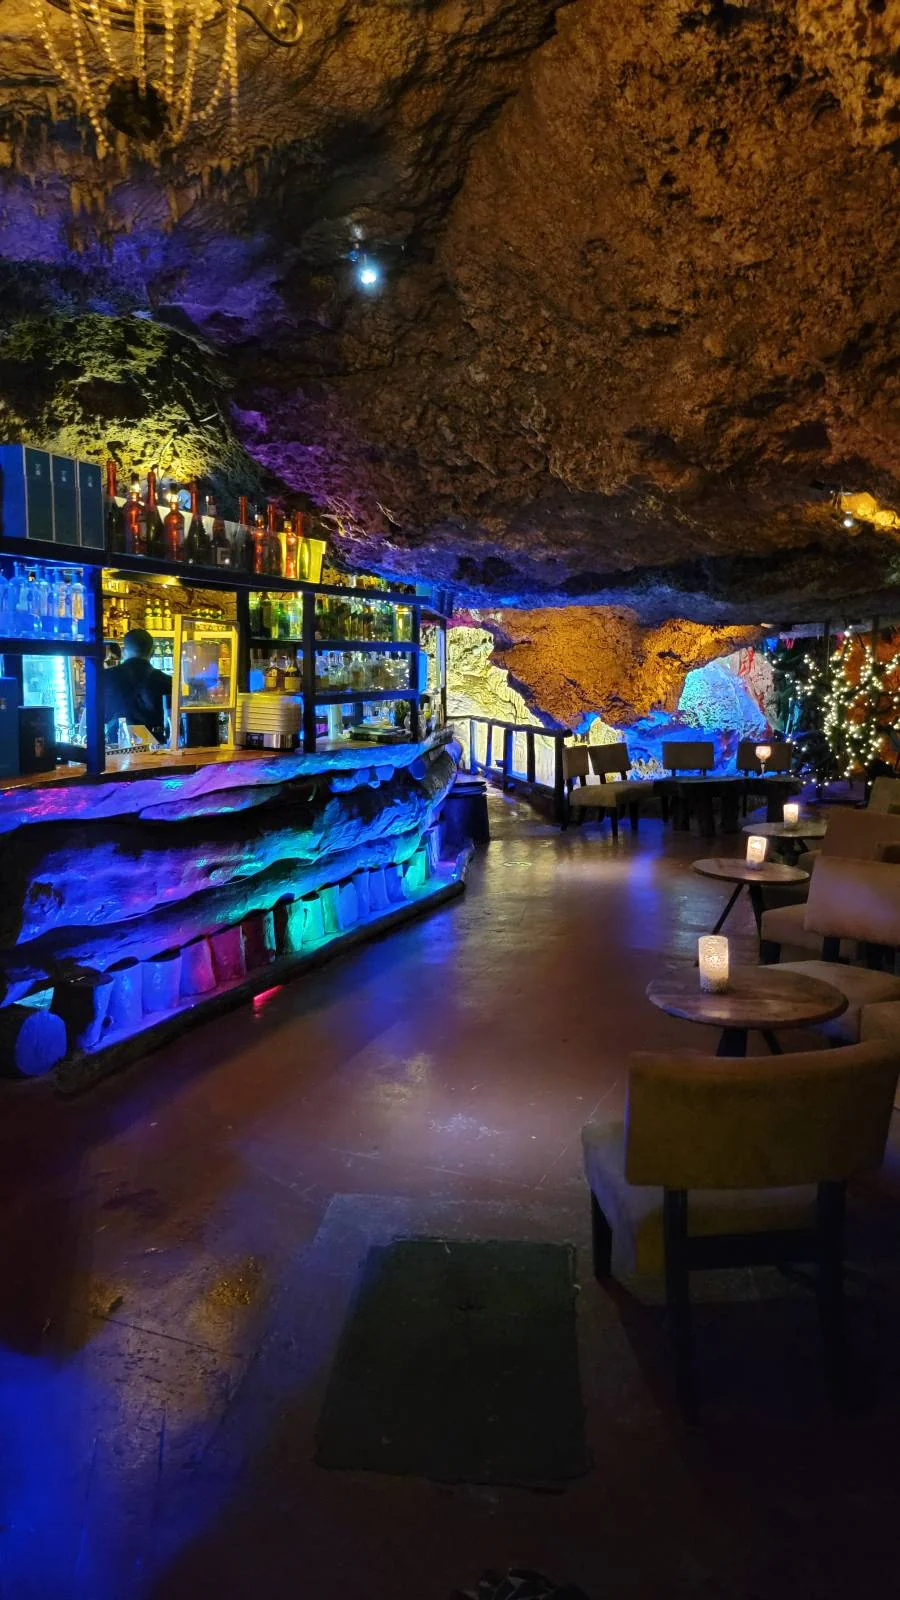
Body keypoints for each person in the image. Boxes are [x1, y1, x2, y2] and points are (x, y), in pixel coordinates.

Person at [104, 628, 172, 744]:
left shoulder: (104, 677)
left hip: (114, 746)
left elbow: (89, 719)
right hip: (155, 748)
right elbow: (172, 722)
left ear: (123, 650)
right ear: (153, 652)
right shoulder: (168, 681)